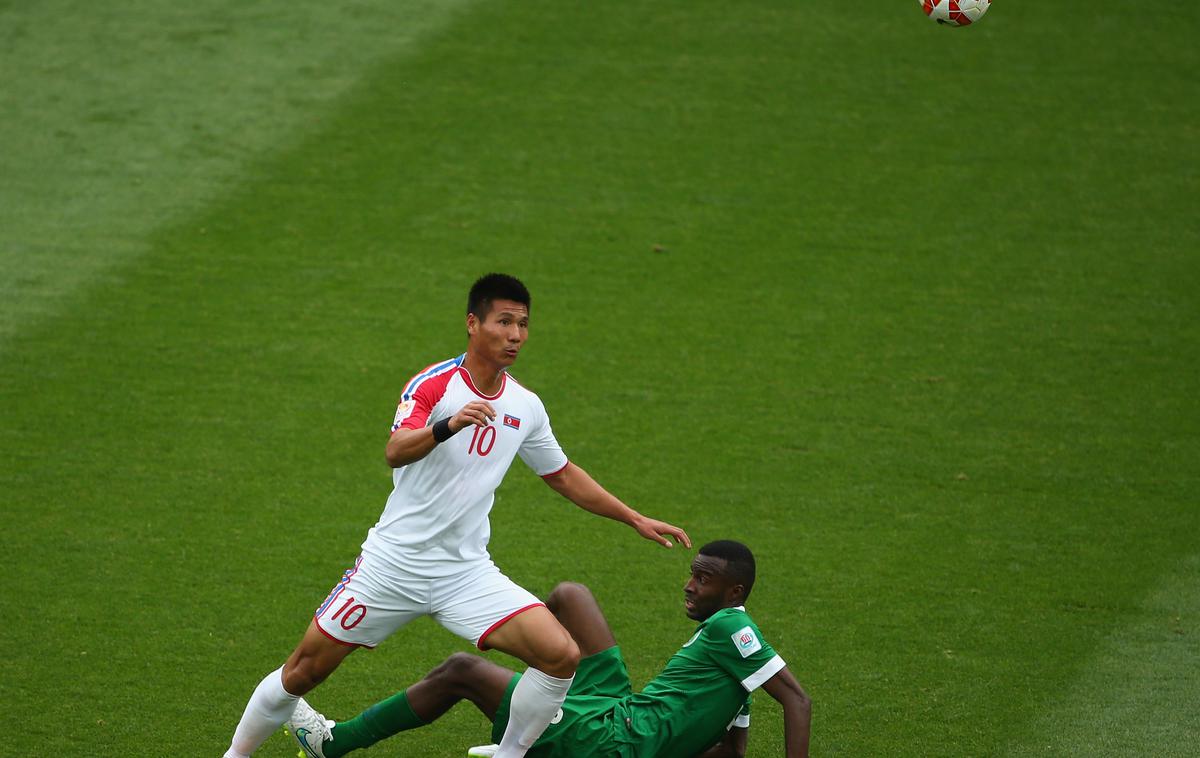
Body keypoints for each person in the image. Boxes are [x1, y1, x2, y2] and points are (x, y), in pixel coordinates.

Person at [224, 273, 691, 758]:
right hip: (392, 567)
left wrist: (633, 517)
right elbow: (395, 450)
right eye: (503, 322)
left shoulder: (525, 406)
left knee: (561, 655)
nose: (515, 335)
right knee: (301, 673)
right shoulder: (434, 386)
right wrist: (448, 425)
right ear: (473, 323)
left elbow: (563, 474)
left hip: (464, 573)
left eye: (523, 324)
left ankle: (511, 755)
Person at [286, 540, 812, 758]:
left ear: (735, 593)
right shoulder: (739, 674)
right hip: (619, 711)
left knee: (461, 669)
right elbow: (732, 754)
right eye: (693, 573)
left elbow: (798, 702)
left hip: (608, 739)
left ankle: (331, 744)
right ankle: (535, 712)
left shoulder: (732, 634)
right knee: (570, 596)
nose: (690, 585)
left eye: (706, 579)